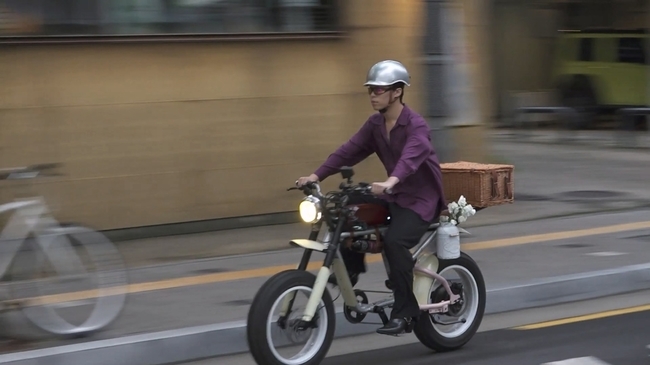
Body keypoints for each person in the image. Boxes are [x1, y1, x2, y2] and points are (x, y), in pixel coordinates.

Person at [296, 60, 447, 336]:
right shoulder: (375, 124)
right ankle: (350, 273)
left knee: (395, 242)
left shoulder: (416, 125)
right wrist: (316, 176)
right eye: (371, 90)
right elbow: (349, 151)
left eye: (379, 90)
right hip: (394, 194)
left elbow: (411, 158)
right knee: (346, 208)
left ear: (397, 92)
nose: (373, 95)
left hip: (420, 200)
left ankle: (404, 314)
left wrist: (390, 181)